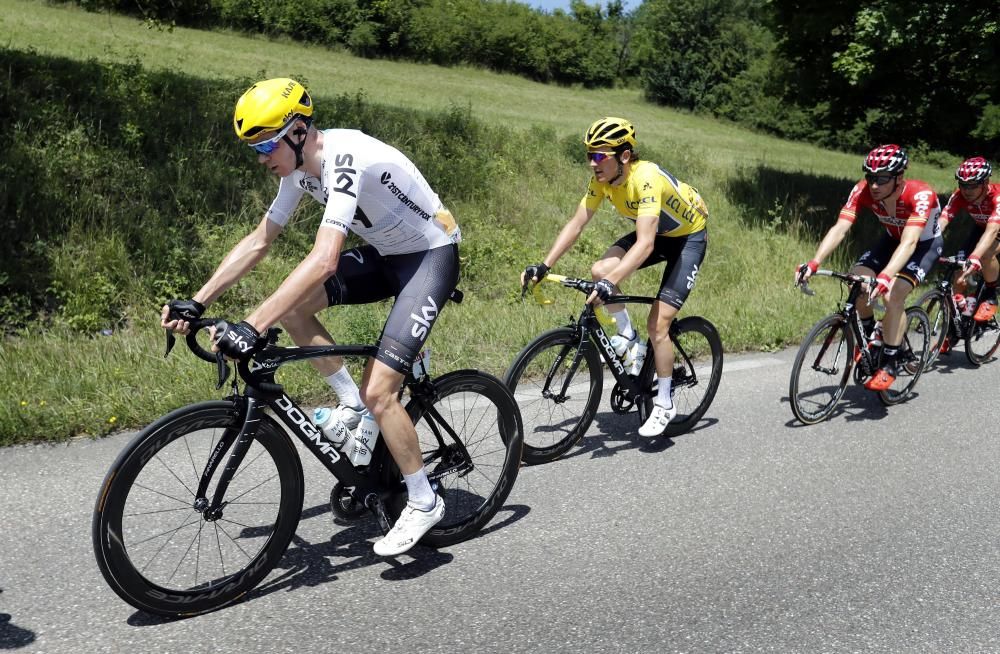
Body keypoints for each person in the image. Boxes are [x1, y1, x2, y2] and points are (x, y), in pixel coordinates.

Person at [161, 78, 461, 556]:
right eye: (254, 148)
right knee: (299, 310)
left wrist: (253, 324)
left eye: (264, 144)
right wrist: (199, 301)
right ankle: (353, 406)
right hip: (386, 254)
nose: (262, 159)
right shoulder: (297, 170)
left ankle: (424, 501)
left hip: (429, 257)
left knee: (381, 389)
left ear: (298, 130)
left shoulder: (345, 157)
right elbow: (260, 240)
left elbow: (324, 259)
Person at [521, 117, 709, 437]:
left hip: (688, 238)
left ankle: (664, 402)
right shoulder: (603, 180)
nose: (592, 163)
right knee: (599, 270)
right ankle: (632, 344)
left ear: (623, 156)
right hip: (658, 232)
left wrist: (611, 284)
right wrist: (545, 264)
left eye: (599, 155)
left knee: (658, 325)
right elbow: (577, 223)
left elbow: (646, 243)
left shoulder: (646, 178)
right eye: (589, 155)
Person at [795, 144, 943, 391]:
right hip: (890, 240)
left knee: (893, 293)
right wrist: (814, 262)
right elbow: (840, 228)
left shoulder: (920, 194)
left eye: (882, 179)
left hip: (922, 245)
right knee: (858, 279)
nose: (874, 185)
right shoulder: (863, 190)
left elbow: (910, 242)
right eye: (871, 178)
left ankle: (893, 359)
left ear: (899, 177)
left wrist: (885, 277)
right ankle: (869, 338)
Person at [938, 157, 1000, 324]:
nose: (967, 190)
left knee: (985, 254)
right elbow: (941, 222)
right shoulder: (959, 196)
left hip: (996, 228)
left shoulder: (997, 196)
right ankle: (958, 319)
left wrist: (975, 257)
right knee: (959, 268)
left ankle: (990, 295)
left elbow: (993, 230)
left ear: (986, 182)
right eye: (963, 184)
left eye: (973, 185)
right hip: (981, 227)